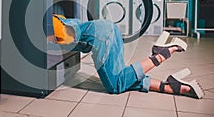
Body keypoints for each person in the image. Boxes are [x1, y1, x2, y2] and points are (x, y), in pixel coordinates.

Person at [51, 14, 204, 99]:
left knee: (115, 85)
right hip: (108, 28)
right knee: (121, 76)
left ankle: (159, 55)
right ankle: (171, 86)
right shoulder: (56, 18)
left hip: (102, 37)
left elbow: (61, 34)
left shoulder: (48, 25)